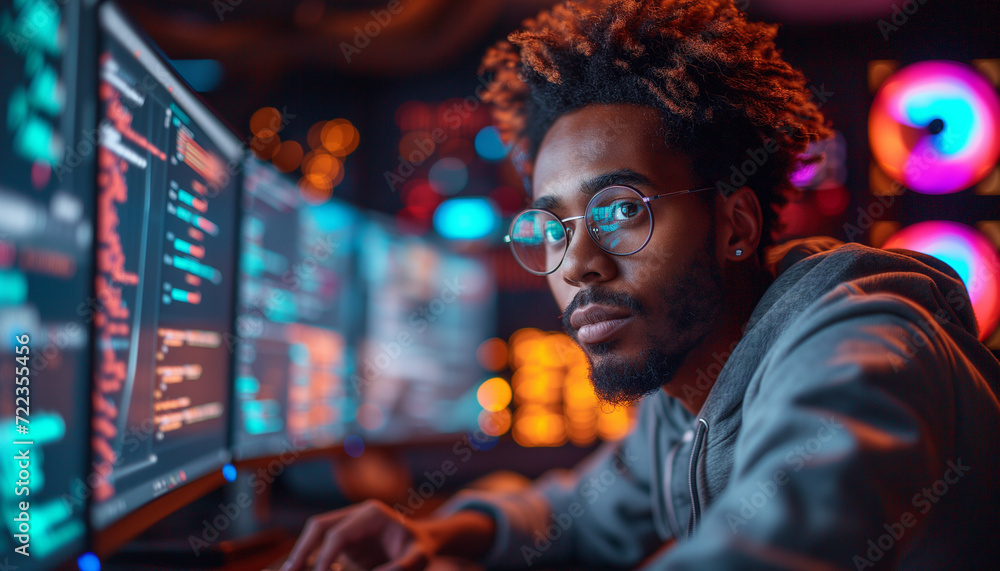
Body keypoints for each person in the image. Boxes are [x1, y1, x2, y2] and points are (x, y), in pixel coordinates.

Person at [281, 1, 1000, 569]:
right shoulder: (685, 401)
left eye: (622, 210)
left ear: (736, 224)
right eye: (553, 228)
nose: (577, 265)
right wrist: (435, 534)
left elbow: (770, 545)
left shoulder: (865, 346)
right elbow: (575, 509)